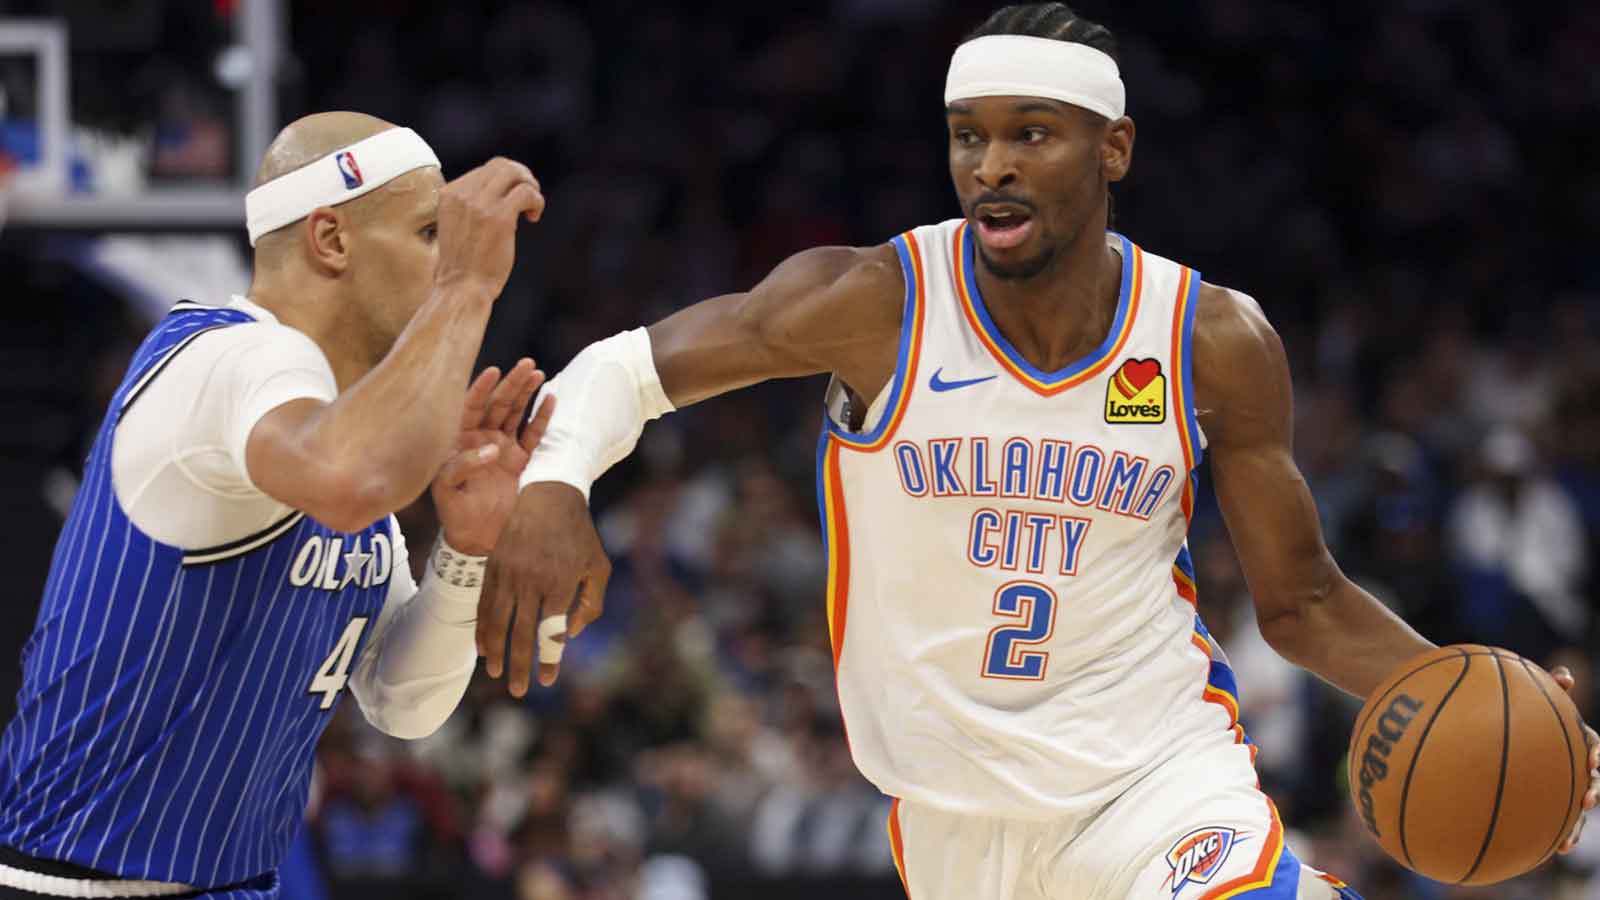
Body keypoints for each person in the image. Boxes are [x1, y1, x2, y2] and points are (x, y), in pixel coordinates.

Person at [481, 5, 1600, 898]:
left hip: (1155, 785)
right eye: (970, 136)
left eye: (1032, 133)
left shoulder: (1208, 338)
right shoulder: (875, 303)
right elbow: (628, 369)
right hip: (951, 825)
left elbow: (1300, 602)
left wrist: (1479, 697)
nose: (992, 166)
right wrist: (555, 478)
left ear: (1112, 147)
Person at [0, 112, 549, 898]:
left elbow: (402, 704)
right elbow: (354, 481)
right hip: (74, 885)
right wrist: (466, 288)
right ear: (330, 239)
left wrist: (464, 547)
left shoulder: (333, 427)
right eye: (432, 233)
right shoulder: (226, 354)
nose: (450, 258)